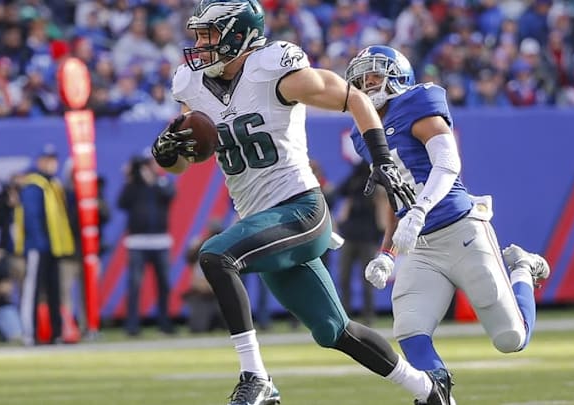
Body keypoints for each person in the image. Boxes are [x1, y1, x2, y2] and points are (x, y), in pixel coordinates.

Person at [150, 2, 449, 405]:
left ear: (238, 34)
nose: (199, 45)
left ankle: (255, 377)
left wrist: (382, 161)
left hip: (300, 210)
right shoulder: (191, 83)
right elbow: (188, 159)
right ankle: (429, 390)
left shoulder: (273, 68)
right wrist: (169, 154)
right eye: (199, 35)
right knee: (334, 331)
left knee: (216, 256)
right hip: (261, 221)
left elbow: (356, 100)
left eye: (208, 35)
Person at [346, 45, 552, 405]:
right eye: (360, 81)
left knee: (510, 339)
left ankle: (522, 267)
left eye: (374, 76)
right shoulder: (363, 135)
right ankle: (439, 393)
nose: (366, 86)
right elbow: (398, 202)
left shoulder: (417, 103)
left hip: (461, 230)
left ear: (398, 76)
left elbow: (447, 164)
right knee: (409, 329)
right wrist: (388, 255)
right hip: (422, 246)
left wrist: (421, 210)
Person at [15, 144, 75, 345]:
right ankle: (29, 333)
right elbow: (31, 217)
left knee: (54, 290)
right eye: (47, 160)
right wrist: (39, 243)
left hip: (54, 246)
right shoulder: (34, 185)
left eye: (53, 160)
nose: (52, 164)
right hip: (38, 246)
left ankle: (56, 333)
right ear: (39, 162)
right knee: (32, 290)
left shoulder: (54, 184)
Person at [117, 152, 176, 336]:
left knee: (164, 284)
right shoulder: (133, 185)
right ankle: (132, 325)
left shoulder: (162, 182)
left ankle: (165, 323)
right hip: (137, 242)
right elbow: (121, 203)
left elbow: (170, 195)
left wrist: (154, 180)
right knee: (134, 284)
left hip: (160, 241)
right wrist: (129, 178)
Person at [336, 162, 385, 326]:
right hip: (350, 236)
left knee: (368, 279)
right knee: (344, 277)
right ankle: (345, 314)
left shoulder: (378, 182)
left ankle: (368, 315)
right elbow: (340, 191)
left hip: (368, 237)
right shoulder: (355, 180)